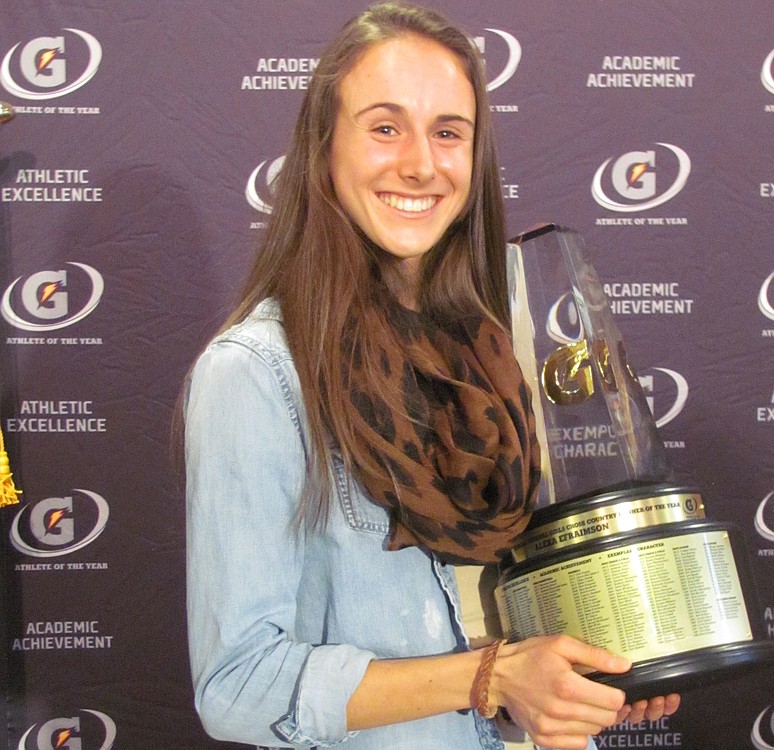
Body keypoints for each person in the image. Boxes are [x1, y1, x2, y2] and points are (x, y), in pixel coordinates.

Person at [183, 3, 680, 749]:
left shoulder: (489, 355)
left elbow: (485, 634)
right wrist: (493, 678)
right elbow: (238, 687)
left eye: (448, 132)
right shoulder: (256, 375)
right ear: (324, 149)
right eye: (385, 127)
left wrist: (585, 677)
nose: (421, 163)